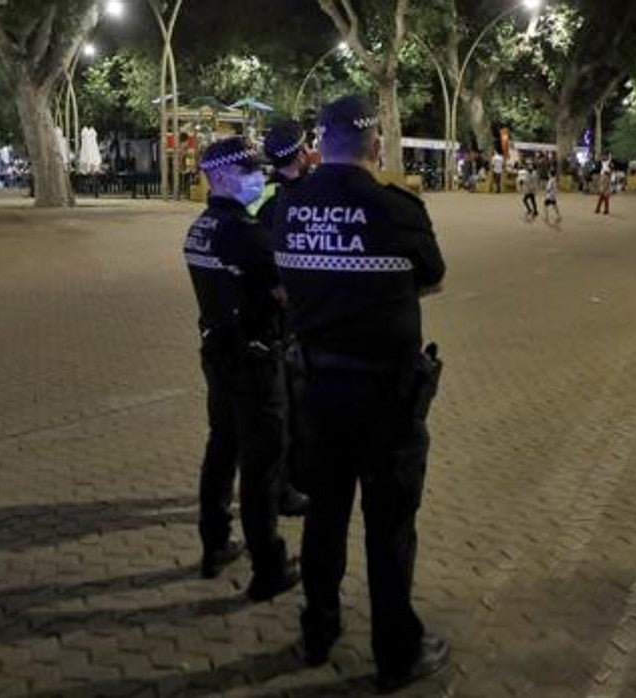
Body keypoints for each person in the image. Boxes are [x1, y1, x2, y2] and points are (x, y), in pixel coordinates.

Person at [271, 95, 449, 692]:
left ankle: (318, 630)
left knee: (324, 517)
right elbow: (433, 277)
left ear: (321, 143)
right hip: (386, 400)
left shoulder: (288, 206)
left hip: (318, 391)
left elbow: (284, 283)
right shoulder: (395, 208)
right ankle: (395, 650)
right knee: (389, 526)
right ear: (375, 144)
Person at [182, 136, 301, 600]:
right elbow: (284, 293)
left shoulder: (200, 228)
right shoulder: (246, 234)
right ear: (224, 177)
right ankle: (267, 565)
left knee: (221, 450)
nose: (259, 178)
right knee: (262, 465)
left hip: (217, 354)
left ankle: (215, 544)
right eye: (250, 172)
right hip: (254, 360)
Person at [247, 119, 314, 518]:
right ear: (301, 153)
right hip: (290, 316)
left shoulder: (265, 195)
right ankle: (285, 487)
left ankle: (282, 482)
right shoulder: (303, 196)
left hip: (266, 313)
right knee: (289, 407)